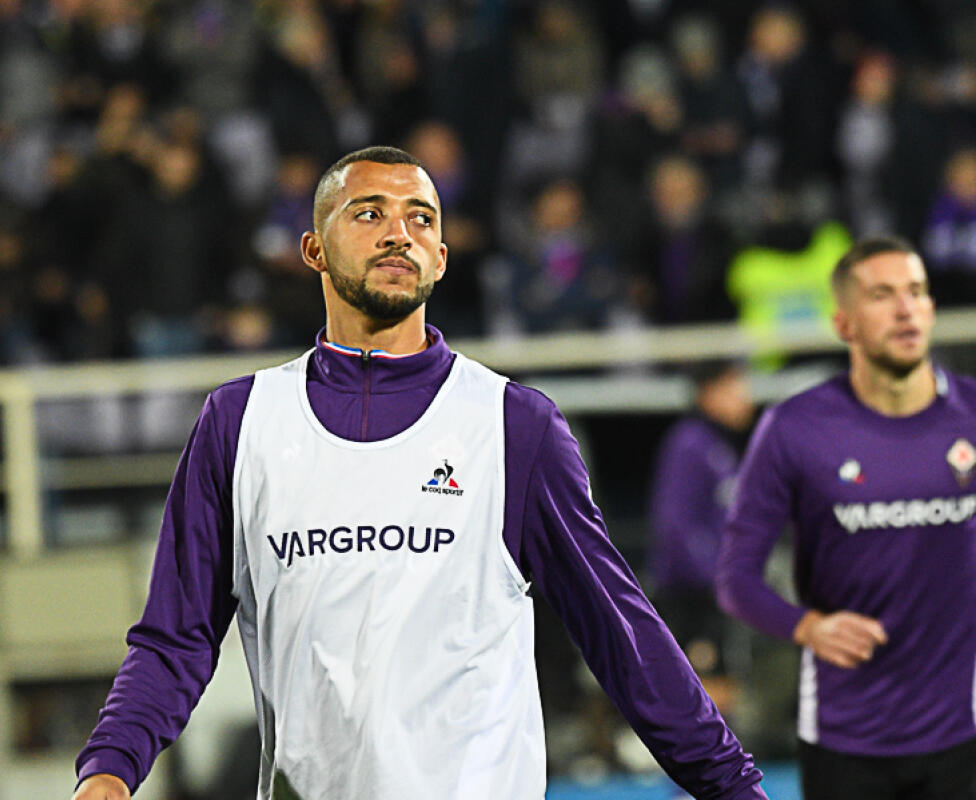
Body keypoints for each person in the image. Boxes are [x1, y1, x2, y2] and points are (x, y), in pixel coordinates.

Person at [72, 147, 768, 800]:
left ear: (440, 256)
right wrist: (109, 768)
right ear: (313, 249)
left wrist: (734, 787)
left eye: (421, 218)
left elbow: (621, 634)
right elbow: (175, 638)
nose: (397, 233)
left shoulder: (511, 424)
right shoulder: (240, 422)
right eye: (369, 213)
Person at [717, 236, 976, 800]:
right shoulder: (795, 429)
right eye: (882, 295)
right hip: (845, 741)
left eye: (916, 291)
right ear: (844, 323)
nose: (906, 308)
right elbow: (736, 579)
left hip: (964, 737)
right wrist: (808, 627)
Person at [649, 360, 755, 689]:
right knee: (701, 690)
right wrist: (714, 576)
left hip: (712, 593)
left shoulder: (720, 445)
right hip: (690, 597)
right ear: (708, 393)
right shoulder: (690, 443)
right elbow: (675, 524)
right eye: (735, 388)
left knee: (724, 686)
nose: (746, 398)